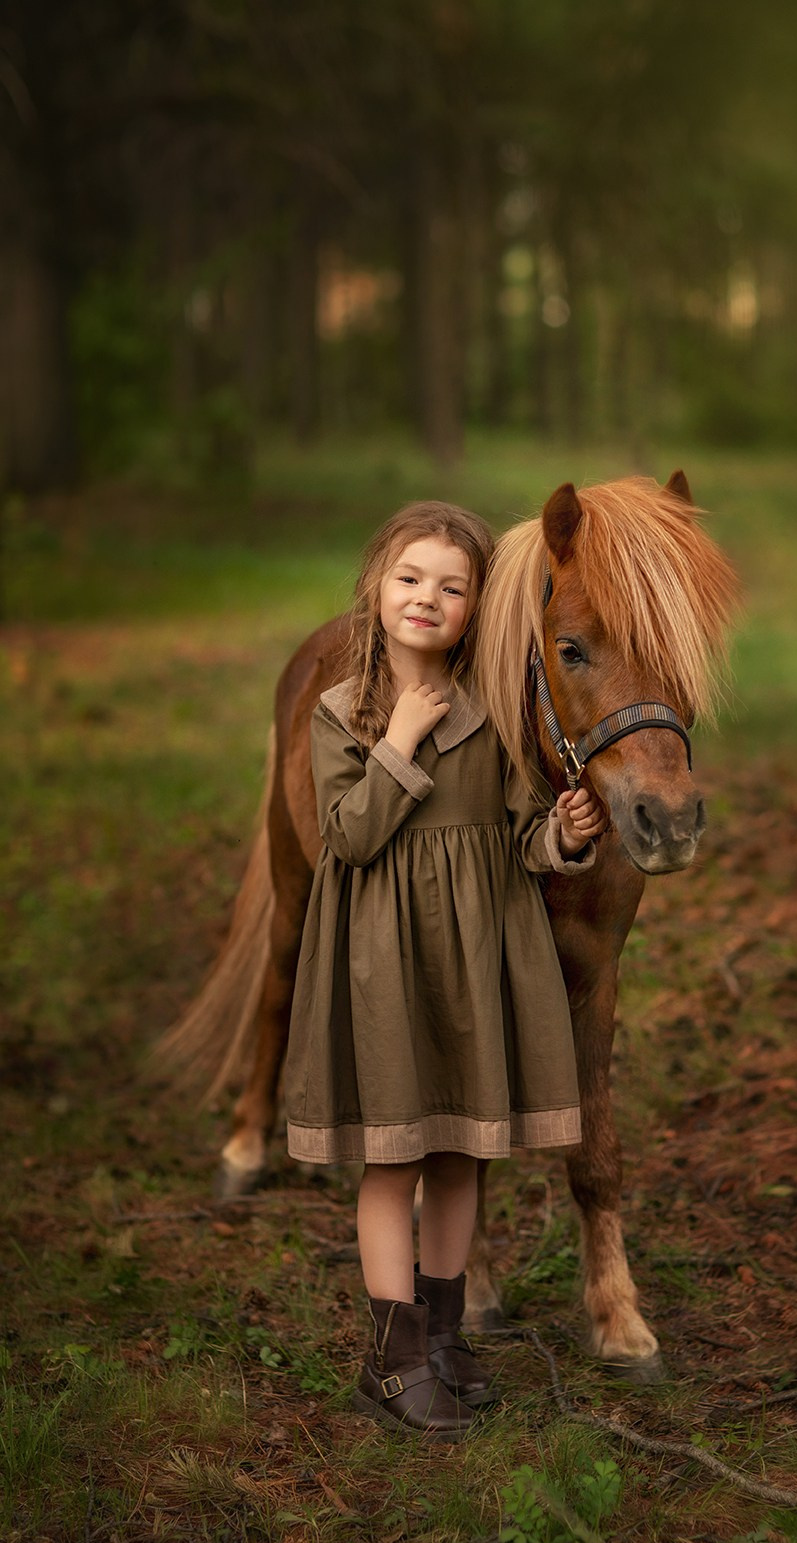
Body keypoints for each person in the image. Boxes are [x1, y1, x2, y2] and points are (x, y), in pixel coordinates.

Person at [285, 501, 607, 1441]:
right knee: (394, 1158)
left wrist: (562, 836)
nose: (427, 597)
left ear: (477, 610)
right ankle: (390, 1361)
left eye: (452, 587)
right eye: (409, 578)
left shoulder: (493, 716)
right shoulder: (342, 712)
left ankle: (441, 1334)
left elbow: (520, 838)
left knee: (461, 1150)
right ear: (375, 590)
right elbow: (348, 837)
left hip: (474, 958)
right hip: (384, 960)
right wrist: (398, 742)